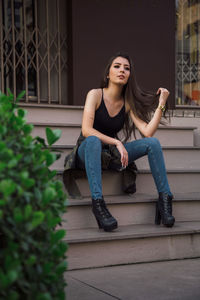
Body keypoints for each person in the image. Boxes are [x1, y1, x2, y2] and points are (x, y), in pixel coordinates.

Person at [64, 52, 175, 232]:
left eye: (126, 68)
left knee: (153, 143)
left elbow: (147, 131)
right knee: (92, 140)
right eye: (117, 66)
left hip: (110, 156)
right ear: (108, 73)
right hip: (88, 151)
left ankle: (165, 201)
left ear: (129, 76)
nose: (122, 70)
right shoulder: (95, 94)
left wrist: (161, 103)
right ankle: (98, 205)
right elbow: (86, 129)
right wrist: (116, 142)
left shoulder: (127, 103)